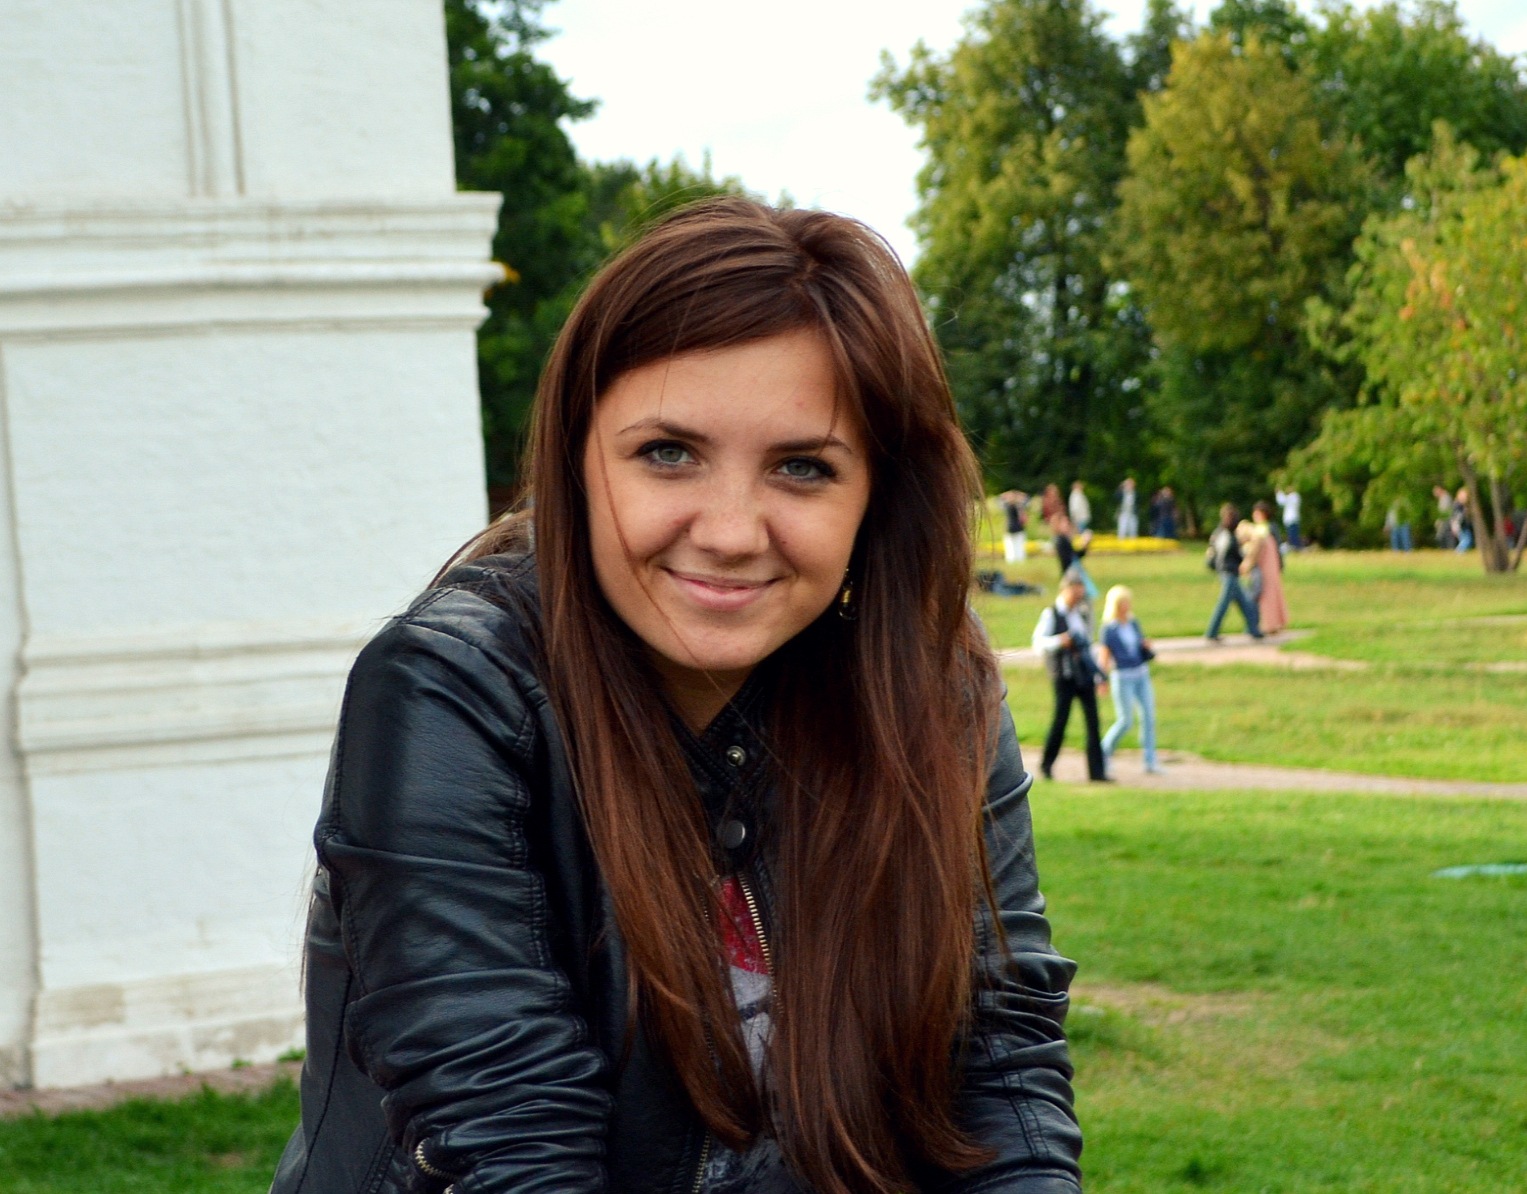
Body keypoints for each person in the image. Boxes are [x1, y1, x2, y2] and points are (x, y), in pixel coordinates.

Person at [271, 200, 1081, 1194]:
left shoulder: (931, 688)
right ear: (577, 459)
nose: (732, 531)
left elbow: (999, 1062)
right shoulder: (451, 690)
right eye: (667, 453)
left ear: (876, 497)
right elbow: (511, 1143)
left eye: (802, 468)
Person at [1032, 572, 1108, 782]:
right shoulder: (1052, 613)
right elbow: (1038, 643)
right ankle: (1046, 765)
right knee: (1061, 720)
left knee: (1093, 722)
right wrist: (1060, 641)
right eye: (1075, 593)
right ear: (1065, 590)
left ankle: (1097, 772)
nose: (1077, 598)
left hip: (1083, 674)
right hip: (1064, 676)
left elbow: (1087, 645)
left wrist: (1098, 674)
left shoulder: (1081, 614)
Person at [1095, 585, 1161, 776]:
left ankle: (1150, 760)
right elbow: (1104, 656)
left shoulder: (1133, 623)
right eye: (1122, 603)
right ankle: (1104, 751)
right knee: (1125, 720)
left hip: (1141, 672)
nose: (1126, 606)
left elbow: (1138, 644)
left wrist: (1145, 646)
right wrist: (1101, 679)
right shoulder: (1109, 629)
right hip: (1123, 676)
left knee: (1149, 716)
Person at [1205, 503, 1263, 642]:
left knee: (1245, 603)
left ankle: (1254, 630)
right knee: (1224, 604)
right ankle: (1212, 632)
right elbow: (1227, 555)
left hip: (1229, 573)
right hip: (1228, 573)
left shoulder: (1221, 533)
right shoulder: (1226, 535)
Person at [1243, 501, 1289, 635]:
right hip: (1263, 564)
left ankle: (1271, 624)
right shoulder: (1259, 528)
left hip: (1269, 564)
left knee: (1268, 593)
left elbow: (1273, 547)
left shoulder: (1268, 528)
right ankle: (1266, 623)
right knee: (1262, 593)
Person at [1050, 510, 1099, 601]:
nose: (1067, 525)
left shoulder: (1065, 539)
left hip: (1074, 571)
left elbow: (1076, 555)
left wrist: (1085, 545)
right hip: (1071, 573)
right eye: (1064, 523)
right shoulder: (1060, 541)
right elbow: (1069, 558)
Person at [1001, 489, 1029, 563]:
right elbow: (1026, 498)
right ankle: (1018, 559)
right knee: (1019, 544)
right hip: (1018, 527)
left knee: (1011, 545)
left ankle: (1012, 559)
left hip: (1011, 527)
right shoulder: (1019, 506)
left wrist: (1008, 494)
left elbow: (1000, 499)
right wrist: (1018, 494)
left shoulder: (1007, 506)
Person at [1275, 484, 1302, 551]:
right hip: (1291, 519)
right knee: (1292, 534)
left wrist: (1279, 492)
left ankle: (1295, 547)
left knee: (1293, 535)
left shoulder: (1293, 496)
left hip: (1292, 519)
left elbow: (1282, 501)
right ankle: (1295, 547)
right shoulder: (1293, 497)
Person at [1433, 485, 1455, 549]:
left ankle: (1449, 548)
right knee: (1445, 535)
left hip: (1446, 520)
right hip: (1445, 519)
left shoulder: (1446, 498)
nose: (1434, 494)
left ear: (1440, 490)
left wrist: (1439, 520)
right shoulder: (1443, 498)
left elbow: (1444, 511)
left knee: (1446, 535)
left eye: (1435, 491)